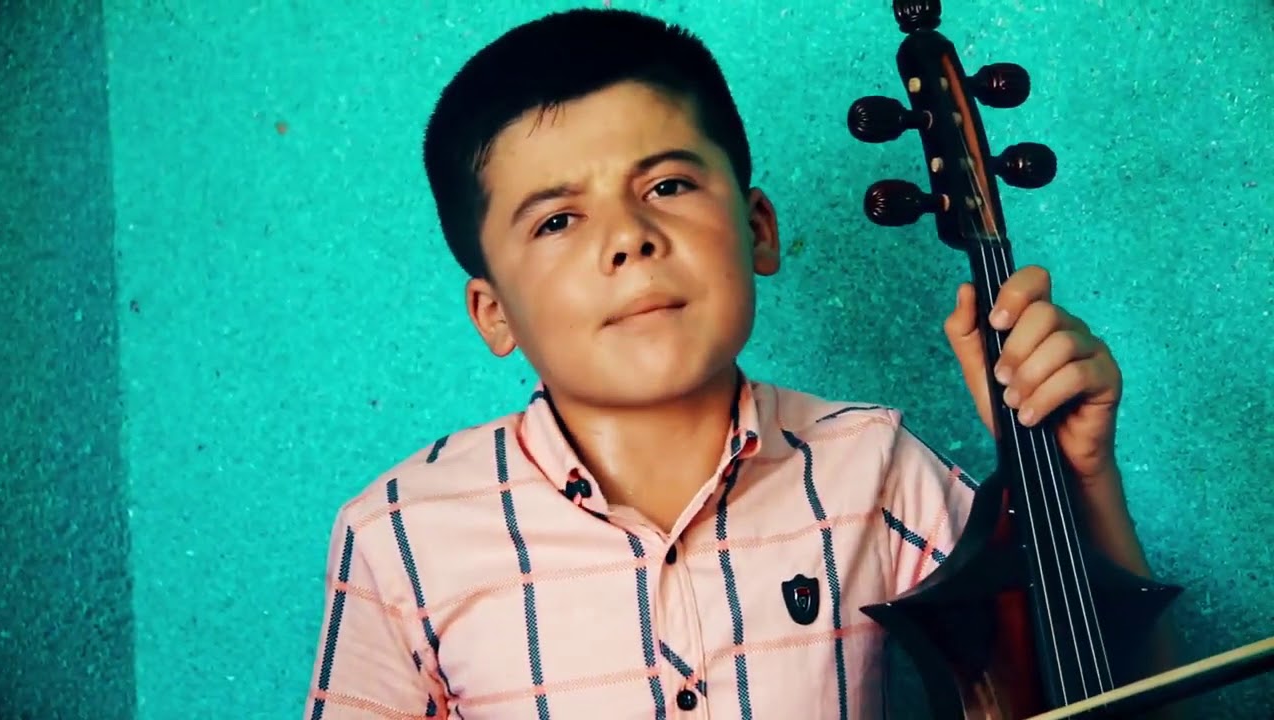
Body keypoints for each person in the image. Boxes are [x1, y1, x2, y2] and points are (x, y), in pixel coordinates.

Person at [303, 8, 1177, 719]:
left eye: (668, 186)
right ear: (493, 312)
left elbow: (1097, 692)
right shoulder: (398, 536)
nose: (630, 239)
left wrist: (1079, 475)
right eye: (557, 220)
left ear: (759, 229)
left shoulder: (874, 466)